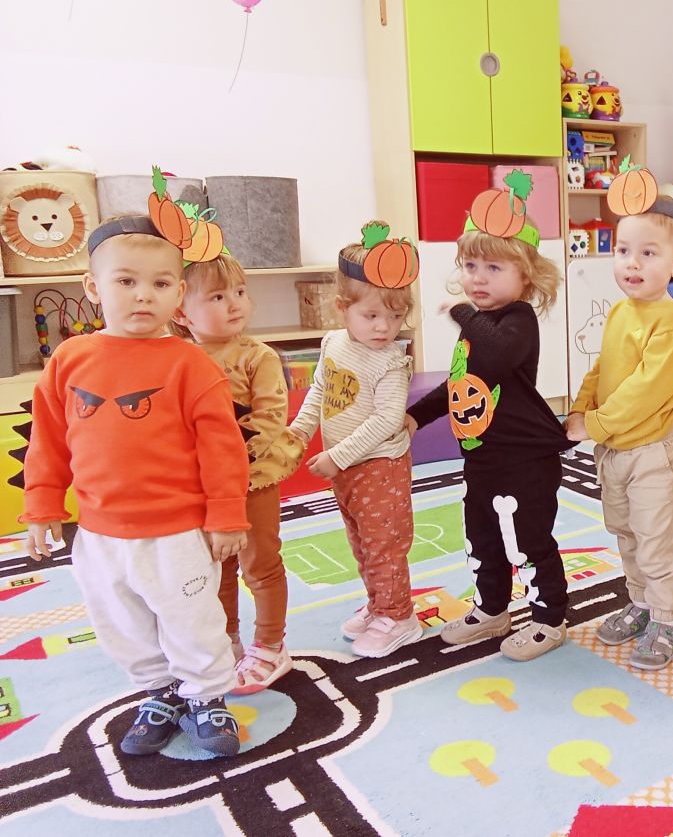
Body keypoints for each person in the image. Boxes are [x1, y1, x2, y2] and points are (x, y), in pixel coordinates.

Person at [21, 213, 248, 757]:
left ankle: (205, 696)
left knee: (191, 621)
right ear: (92, 287)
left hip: (176, 533)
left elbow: (222, 449)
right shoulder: (69, 360)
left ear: (179, 293)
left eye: (161, 283)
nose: (143, 295)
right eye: (126, 281)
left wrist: (225, 515)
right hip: (99, 535)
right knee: (121, 622)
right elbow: (48, 439)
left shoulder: (191, 365)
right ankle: (160, 692)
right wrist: (43, 504)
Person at [406, 187, 574, 662]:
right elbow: (462, 384)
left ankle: (549, 619)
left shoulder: (518, 320)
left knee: (529, 543)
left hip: (525, 460)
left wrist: (461, 313)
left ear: (526, 274)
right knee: (481, 539)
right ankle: (492, 610)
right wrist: (417, 416)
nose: (477, 278)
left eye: (494, 268)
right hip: (483, 459)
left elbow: (497, 356)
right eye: (470, 265)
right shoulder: (480, 324)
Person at [566, 179, 673, 671]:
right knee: (626, 533)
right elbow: (603, 369)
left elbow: (645, 390)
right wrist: (580, 408)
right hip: (614, 449)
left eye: (648, 253)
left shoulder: (672, 321)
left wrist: (596, 423)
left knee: (655, 541)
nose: (632, 263)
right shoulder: (620, 312)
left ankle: (667, 619)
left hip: (651, 452)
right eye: (623, 250)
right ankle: (641, 603)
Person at [172, 252, 305, 693]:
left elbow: (269, 418)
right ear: (181, 311)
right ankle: (224, 638)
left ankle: (270, 646)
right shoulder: (177, 357)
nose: (235, 304)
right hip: (200, 487)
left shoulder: (257, 356)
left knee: (259, 564)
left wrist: (224, 465)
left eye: (240, 292)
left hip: (252, 479)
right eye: (217, 296)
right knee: (216, 567)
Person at [290, 223, 419, 658]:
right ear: (342, 308)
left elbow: (387, 420)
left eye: (396, 317)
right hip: (345, 468)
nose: (385, 327)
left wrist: (337, 456)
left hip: (379, 468)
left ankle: (399, 617)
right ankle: (379, 604)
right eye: (372, 316)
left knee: (384, 544)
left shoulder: (391, 363)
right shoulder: (333, 344)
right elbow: (320, 391)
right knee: (361, 542)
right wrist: (300, 430)